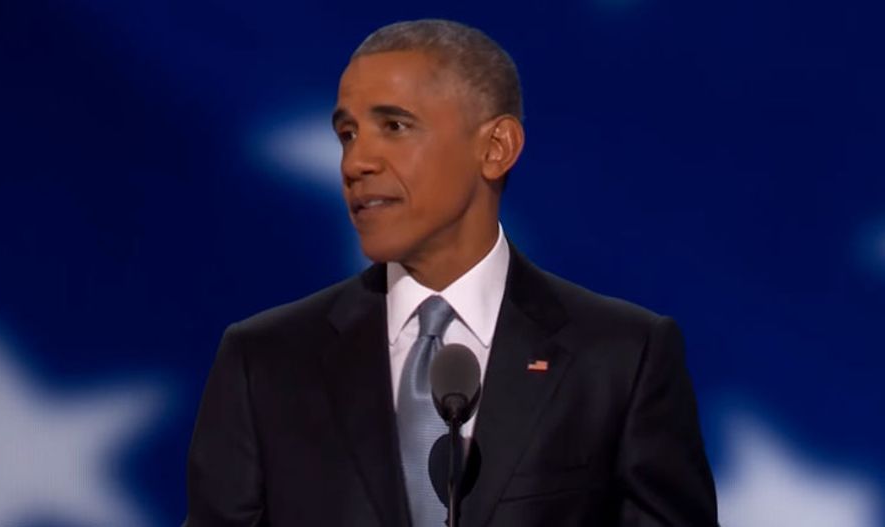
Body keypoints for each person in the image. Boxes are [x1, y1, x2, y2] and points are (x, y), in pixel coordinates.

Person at [184, 19, 718, 527]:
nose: (354, 163)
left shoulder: (621, 358)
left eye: (393, 126)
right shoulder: (266, 362)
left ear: (496, 148)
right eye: (347, 134)